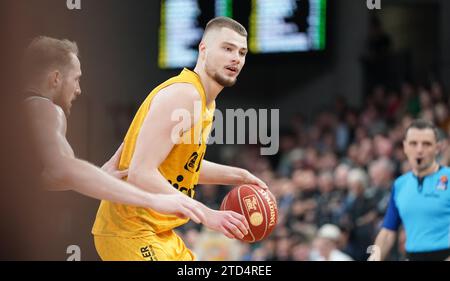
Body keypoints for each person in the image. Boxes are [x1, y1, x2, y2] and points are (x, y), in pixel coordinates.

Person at [92, 17, 268, 261]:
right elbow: (140, 172)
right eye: (227, 48)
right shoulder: (186, 95)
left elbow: (185, 168)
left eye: (242, 52)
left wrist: (240, 176)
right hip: (129, 229)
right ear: (203, 50)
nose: (236, 58)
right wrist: (206, 214)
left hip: (160, 233)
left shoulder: (206, 101)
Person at [23, 36, 206, 223]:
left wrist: (99, 177)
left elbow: (43, 178)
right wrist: (154, 200)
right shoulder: (43, 107)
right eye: (76, 79)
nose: (78, 89)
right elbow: (64, 170)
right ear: (55, 78)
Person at [369, 119, 450, 261]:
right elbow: (387, 232)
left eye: (426, 144)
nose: (419, 150)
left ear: (437, 148)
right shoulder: (400, 185)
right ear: (405, 147)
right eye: (413, 144)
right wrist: (374, 257)